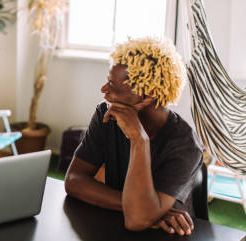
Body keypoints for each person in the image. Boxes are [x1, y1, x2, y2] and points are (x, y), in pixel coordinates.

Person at [64, 37, 203, 236]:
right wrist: (147, 210)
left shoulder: (185, 145)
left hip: (169, 234)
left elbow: (136, 220)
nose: (104, 90)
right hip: (116, 227)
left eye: (113, 85)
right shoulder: (106, 115)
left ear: (147, 96)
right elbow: (74, 180)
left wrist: (139, 139)